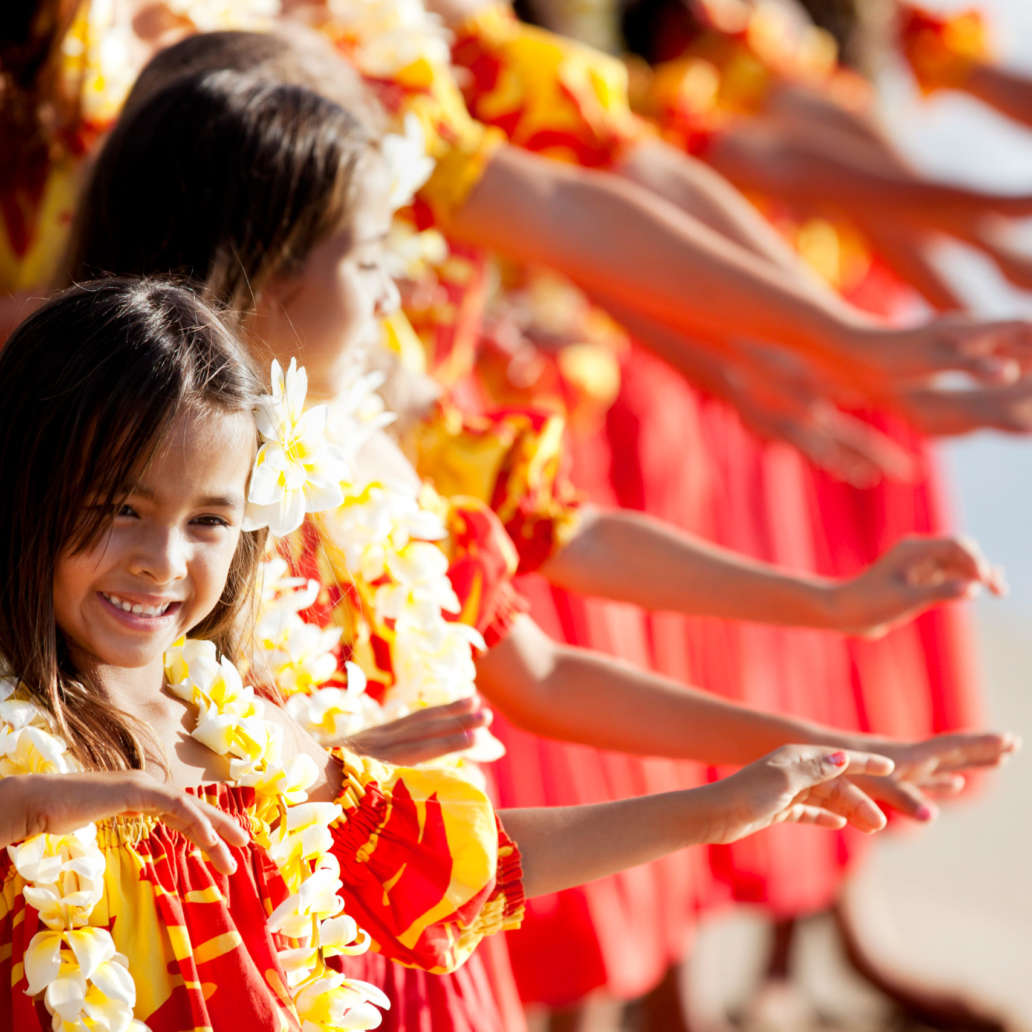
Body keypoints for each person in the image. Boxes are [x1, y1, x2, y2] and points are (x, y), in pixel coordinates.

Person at [63, 60, 1019, 1028]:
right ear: (271, 275)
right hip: (271, 965)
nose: (397, 295)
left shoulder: (372, 460)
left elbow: (544, 673)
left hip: (425, 944)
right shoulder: (175, 533)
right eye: (366, 260)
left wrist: (816, 722)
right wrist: (299, 769)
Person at [0, 277, 916, 1031]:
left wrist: (719, 808)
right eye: (119, 507)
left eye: (207, 521)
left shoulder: (242, 735)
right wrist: (56, 802)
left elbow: (465, 862)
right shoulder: (17, 738)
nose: (162, 561)